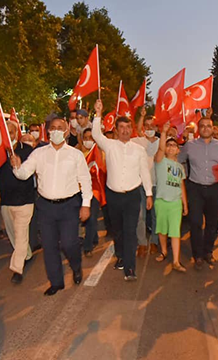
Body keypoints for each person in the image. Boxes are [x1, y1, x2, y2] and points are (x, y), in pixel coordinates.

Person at [11, 117, 92, 296]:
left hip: (69, 205)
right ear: (48, 131)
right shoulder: (38, 154)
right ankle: (56, 282)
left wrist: (86, 205)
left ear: (66, 131)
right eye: (53, 128)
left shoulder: (75, 154)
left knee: (69, 243)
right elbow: (25, 174)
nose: (56, 131)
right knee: (49, 246)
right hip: (46, 207)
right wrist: (17, 167)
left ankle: (76, 265)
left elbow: (85, 181)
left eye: (60, 128)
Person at [92, 99, 153, 282]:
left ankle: (130, 268)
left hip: (133, 196)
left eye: (128, 127)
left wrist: (149, 194)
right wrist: (98, 113)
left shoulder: (139, 149)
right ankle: (120, 255)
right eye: (122, 128)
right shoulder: (109, 145)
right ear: (117, 130)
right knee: (117, 230)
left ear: (131, 129)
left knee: (130, 230)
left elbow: (144, 173)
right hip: (113, 196)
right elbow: (96, 134)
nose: (125, 131)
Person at [179, 117, 218, 270]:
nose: (206, 128)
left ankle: (208, 251)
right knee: (195, 222)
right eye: (202, 126)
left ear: (213, 128)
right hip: (195, 188)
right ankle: (198, 255)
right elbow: (178, 159)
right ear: (198, 129)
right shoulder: (189, 146)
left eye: (208, 126)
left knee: (213, 224)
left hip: (215, 188)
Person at [0, 121, 36, 284]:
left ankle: (17, 269)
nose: (9, 134)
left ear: (17, 133)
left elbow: (30, 172)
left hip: (24, 201)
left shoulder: (27, 151)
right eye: (5, 131)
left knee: (21, 236)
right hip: (6, 202)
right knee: (13, 235)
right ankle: (26, 255)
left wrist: (19, 164)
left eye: (11, 131)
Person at [153, 122, 188, 272]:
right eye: (169, 145)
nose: (171, 147)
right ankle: (164, 251)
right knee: (162, 230)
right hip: (161, 201)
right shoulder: (161, 161)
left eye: (174, 145)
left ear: (178, 150)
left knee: (175, 232)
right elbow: (160, 148)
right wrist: (164, 132)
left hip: (175, 203)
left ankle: (176, 261)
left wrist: (185, 204)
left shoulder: (180, 167)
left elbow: (181, 185)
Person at [133, 107, 161, 256]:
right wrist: (141, 117)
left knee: (156, 215)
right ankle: (142, 243)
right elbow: (136, 130)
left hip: (157, 184)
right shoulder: (138, 141)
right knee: (140, 215)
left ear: (156, 128)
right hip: (140, 184)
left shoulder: (161, 142)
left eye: (152, 126)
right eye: (147, 126)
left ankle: (155, 242)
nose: (149, 129)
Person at [78, 128, 102, 257]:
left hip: (96, 190)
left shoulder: (100, 153)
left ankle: (88, 247)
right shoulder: (77, 153)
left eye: (90, 138)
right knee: (86, 218)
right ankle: (94, 237)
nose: (88, 141)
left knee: (91, 217)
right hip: (80, 189)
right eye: (85, 138)